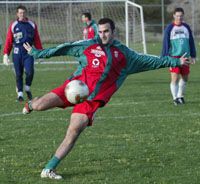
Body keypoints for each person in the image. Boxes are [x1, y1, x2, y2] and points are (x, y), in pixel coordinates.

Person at [22, 18, 190, 180]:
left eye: (106, 31)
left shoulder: (124, 55)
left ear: (113, 32)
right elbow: (64, 48)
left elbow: (150, 60)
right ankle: (31, 103)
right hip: (71, 88)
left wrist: (175, 61)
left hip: (91, 100)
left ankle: (49, 168)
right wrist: (37, 53)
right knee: (39, 105)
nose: (102, 35)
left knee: (74, 130)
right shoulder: (88, 45)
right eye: (100, 31)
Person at [3, 5, 43, 102]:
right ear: (17, 14)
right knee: (18, 74)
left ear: (26, 13)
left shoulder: (32, 24)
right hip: (17, 52)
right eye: (20, 13)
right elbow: (9, 40)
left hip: (28, 51)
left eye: (24, 12)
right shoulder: (13, 25)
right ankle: (20, 94)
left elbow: (36, 39)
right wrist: (5, 54)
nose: (22, 14)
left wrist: (40, 52)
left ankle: (27, 87)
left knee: (29, 71)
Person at [161, 7, 196, 105]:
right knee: (175, 78)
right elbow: (166, 43)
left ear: (183, 16)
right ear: (174, 16)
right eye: (177, 16)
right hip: (174, 57)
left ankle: (180, 96)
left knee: (185, 77)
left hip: (185, 57)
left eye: (181, 16)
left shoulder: (186, 27)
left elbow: (191, 41)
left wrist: (193, 55)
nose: (179, 18)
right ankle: (175, 98)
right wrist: (165, 56)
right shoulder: (169, 28)